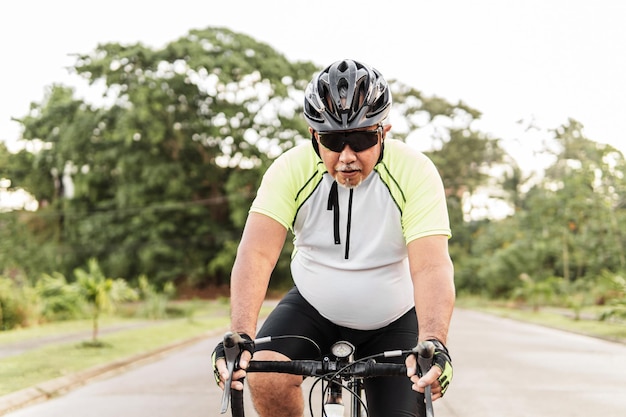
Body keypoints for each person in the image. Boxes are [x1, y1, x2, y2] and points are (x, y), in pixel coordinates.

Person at [212, 58, 455, 417]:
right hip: (313, 307)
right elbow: (257, 254)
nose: (346, 157)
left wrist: (434, 341)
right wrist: (240, 335)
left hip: (393, 317)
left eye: (360, 139)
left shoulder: (415, 171)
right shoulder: (289, 168)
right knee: (264, 376)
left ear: (383, 132)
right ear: (314, 136)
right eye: (332, 140)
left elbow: (431, 265)